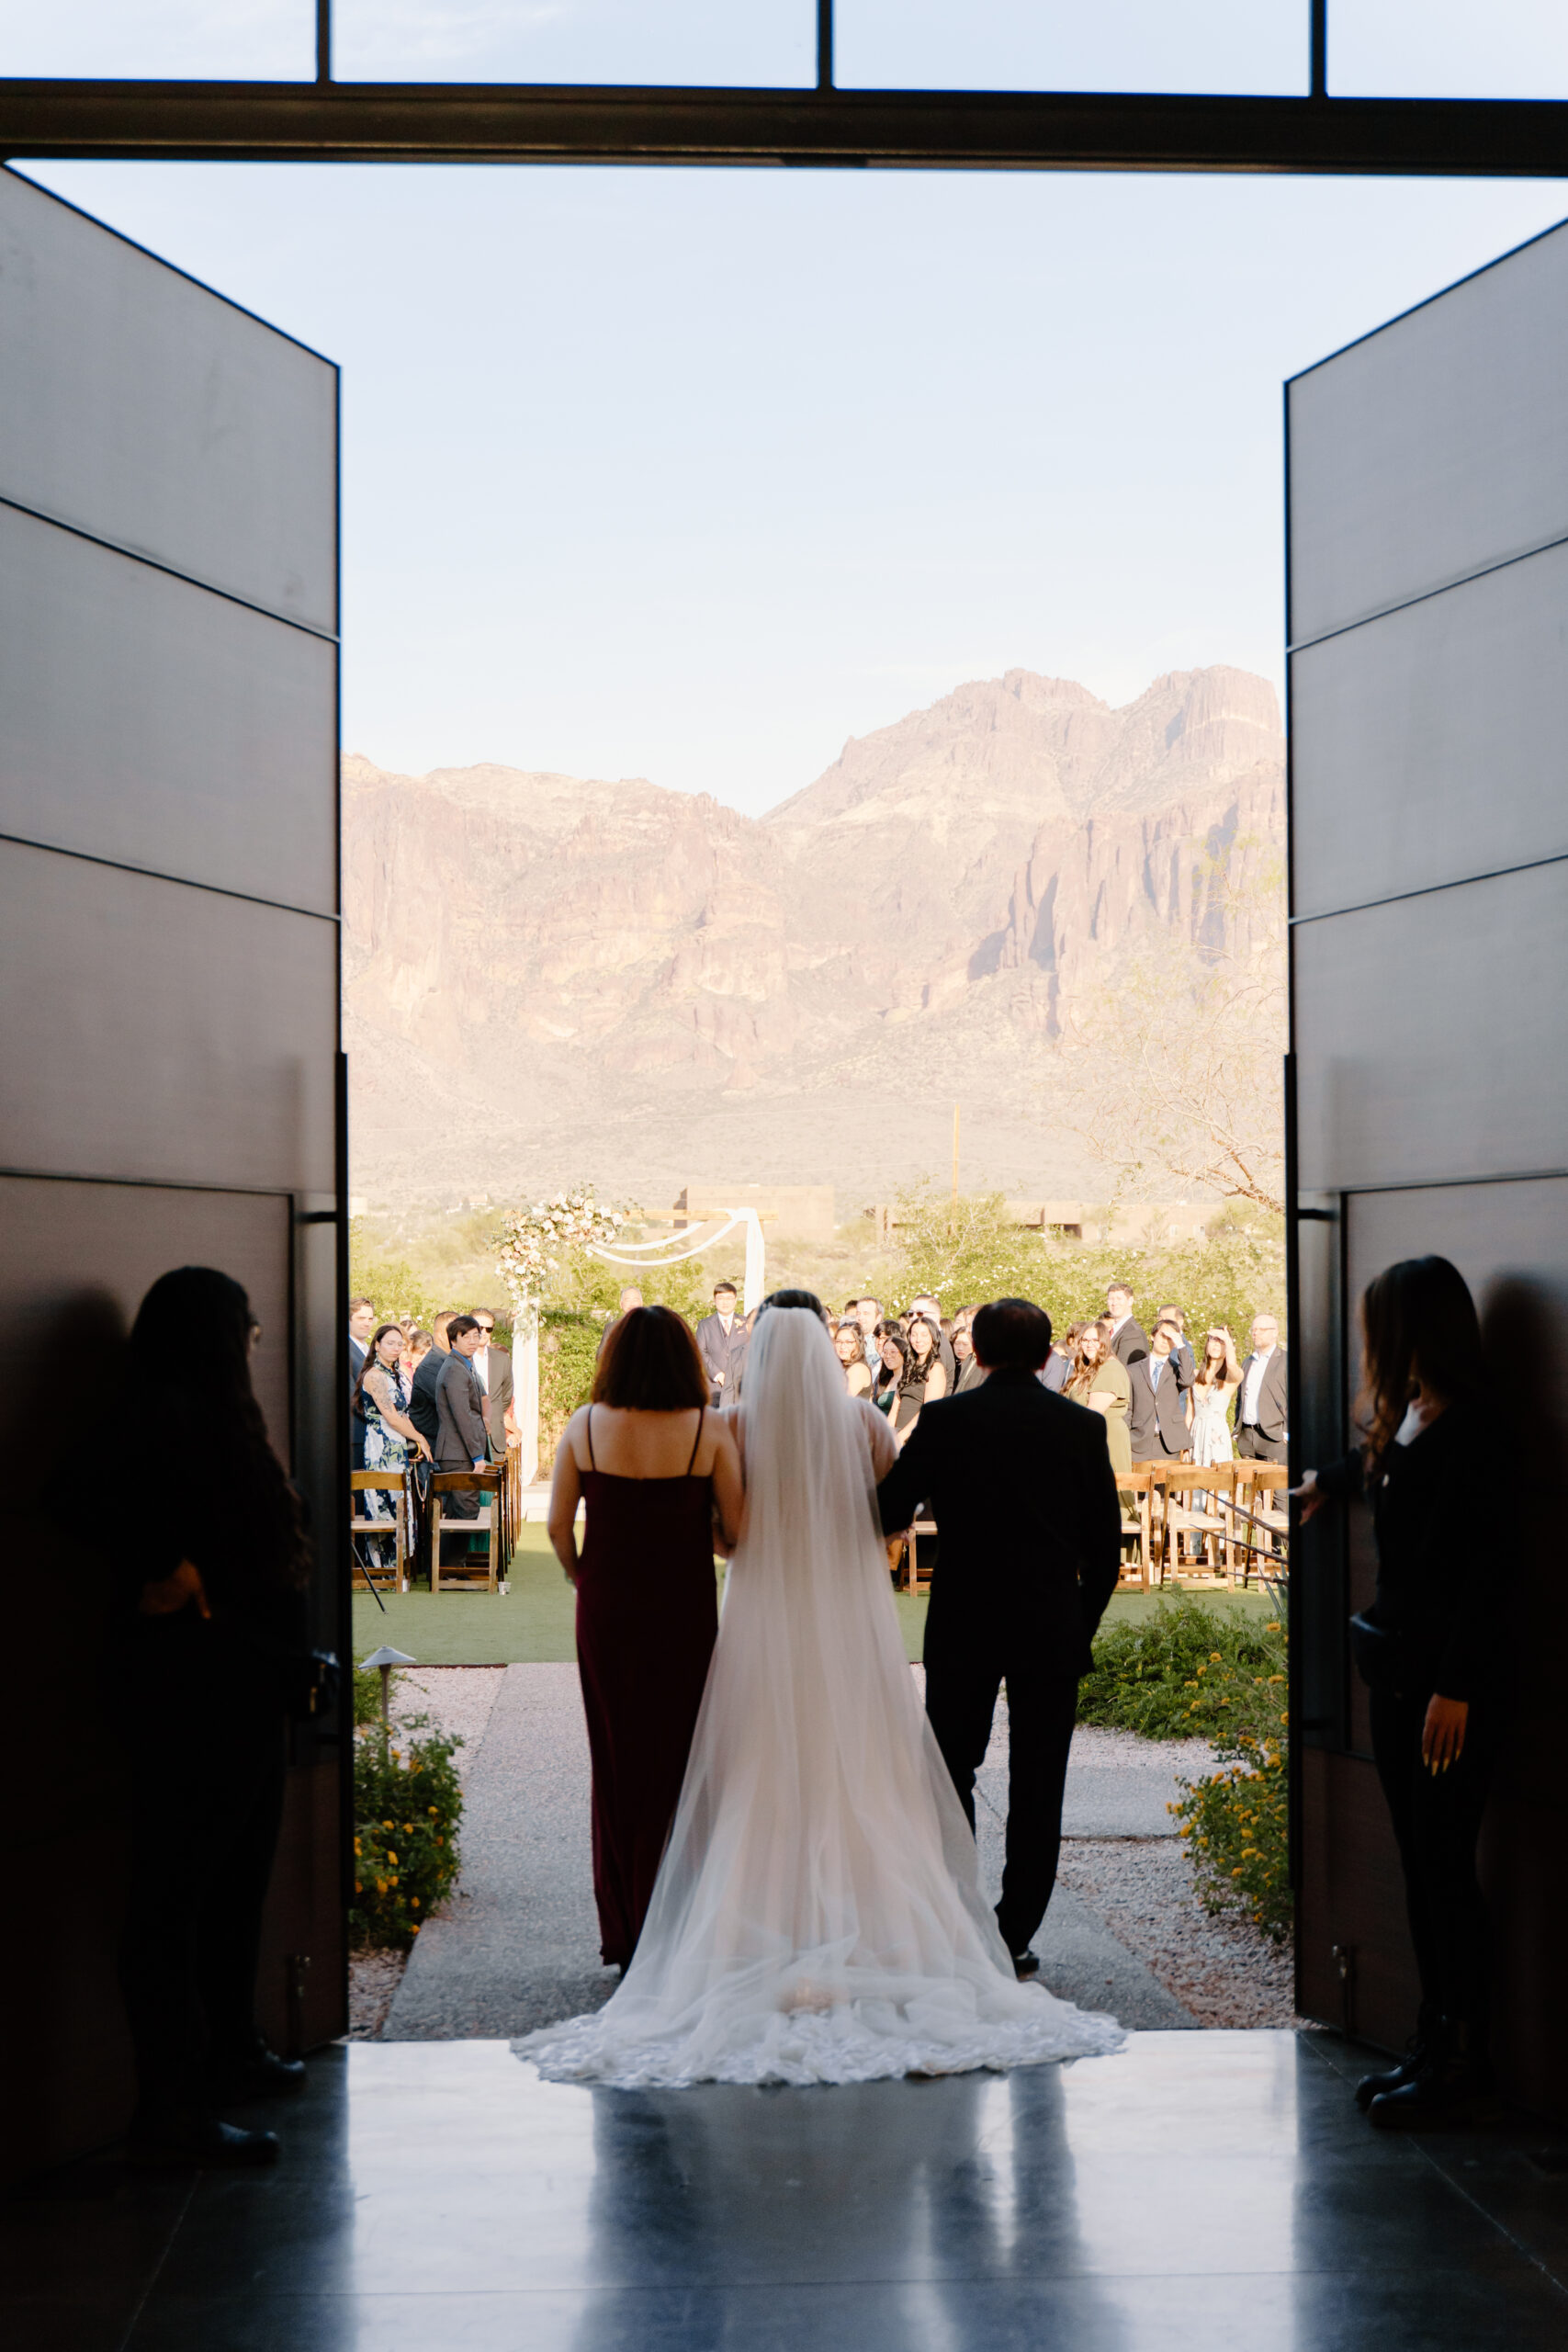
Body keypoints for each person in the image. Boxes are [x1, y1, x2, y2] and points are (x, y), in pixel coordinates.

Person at [518, 1295, 1122, 2086]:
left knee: (830, 1767)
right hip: (914, 1621)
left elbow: (734, 1528)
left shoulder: (735, 1426)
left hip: (799, 1620)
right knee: (929, 1773)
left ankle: (753, 1925)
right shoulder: (880, 1425)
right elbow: (891, 1517)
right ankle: (986, 1934)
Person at [115, 1267, 316, 2167]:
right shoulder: (162, 1416)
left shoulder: (208, 1415)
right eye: (247, 1330)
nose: (255, 1343)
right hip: (197, 1698)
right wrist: (174, 1570)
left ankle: (231, 2050)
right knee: (177, 1900)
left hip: (246, 1688)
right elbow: (82, 1502)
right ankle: (173, 2111)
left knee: (237, 1883)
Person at [1293, 1256, 1496, 2128]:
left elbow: (1493, 1572)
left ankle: (1460, 2057)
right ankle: (1429, 2039)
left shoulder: (1476, 1430)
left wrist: (1456, 1687)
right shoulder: (1412, 1414)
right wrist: (1322, 1483)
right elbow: (1373, 1466)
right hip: (1397, 1673)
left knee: (1446, 1868)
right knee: (1419, 1864)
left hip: (1444, 1692)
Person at [875, 1297, 1123, 1980]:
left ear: (975, 1354)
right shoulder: (1077, 1427)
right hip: (1048, 1619)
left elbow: (890, 1508)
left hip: (964, 1617)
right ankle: (1012, 1932)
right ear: (1048, 1356)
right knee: (1039, 1781)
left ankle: (958, 1919)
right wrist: (1082, 1618)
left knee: (950, 1768)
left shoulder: (948, 1419)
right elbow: (1105, 1550)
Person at [545, 1306, 743, 1971]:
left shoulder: (585, 1425)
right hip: (682, 1609)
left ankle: (626, 1929)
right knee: (681, 1760)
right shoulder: (706, 1430)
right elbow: (733, 1534)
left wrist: (585, 1580)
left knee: (617, 1759)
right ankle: (679, 1921)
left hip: (606, 1608)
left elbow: (555, 1530)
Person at [355, 1322, 433, 1559]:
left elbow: (402, 1417)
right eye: (390, 1343)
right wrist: (421, 1439)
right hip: (380, 1445)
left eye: (400, 1344)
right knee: (382, 1501)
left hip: (397, 1445)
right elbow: (390, 1416)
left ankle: (399, 1565)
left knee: (399, 1500)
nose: (396, 1348)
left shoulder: (395, 1375)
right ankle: (382, 1566)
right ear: (377, 1345)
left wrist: (415, 1444)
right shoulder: (374, 1375)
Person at [434, 1314, 489, 1520]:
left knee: (459, 1514)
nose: (473, 1341)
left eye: (476, 1336)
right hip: (458, 1453)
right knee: (466, 1512)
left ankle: (451, 1554)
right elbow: (462, 1416)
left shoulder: (464, 1364)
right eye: (467, 1337)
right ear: (453, 1340)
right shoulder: (455, 1368)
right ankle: (451, 1554)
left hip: (459, 1451)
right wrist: (477, 1455)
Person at [1068, 1319, 1132, 1477]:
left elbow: (1092, 1414)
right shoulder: (1087, 1367)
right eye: (1085, 1340)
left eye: (1095, 1340)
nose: (1089, 1344)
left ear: (1105, 1342)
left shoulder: (1111, 1369)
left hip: (1105, 1439)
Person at [1127, 1318, 1192, 1462]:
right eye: (1163, 1335)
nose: (1165, 1341)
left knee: (1165, 1484)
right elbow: (1129, 1408)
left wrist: (1181, 1346)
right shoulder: (1133, 1369)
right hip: (1138, 1442)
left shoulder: (1177, 1369)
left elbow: (1187, 1380)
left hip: (1169, 1443)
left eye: (1171, 1338)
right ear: (1152, 1336)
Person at [1234, 1313, 1288, 1460]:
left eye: (1261, 1330)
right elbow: (1241, 1397)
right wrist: (1237, 1429)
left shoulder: (1285, 1360)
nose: (1256, 1333)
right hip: (1247, 1437)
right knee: (1248, 1482)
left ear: (1275, 1333)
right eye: (1253, 1330)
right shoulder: (1247, 1362)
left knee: (1274, 1483)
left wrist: (1286, 1431)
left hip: (1274, 1439)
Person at [1190, 1328, 1242, 1465]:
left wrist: (1228, 1341)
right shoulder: (1194, 1374)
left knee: (1217, 1482)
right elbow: (1190, 1413)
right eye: (1213, 1340)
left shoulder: (1231, 1377)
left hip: (1216, 1436)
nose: (1216, 1344)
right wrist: (1185, 1445)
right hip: (1196, 1434)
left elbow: (1231, 1364)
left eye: (1221, 1341)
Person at [469, 1306, 513, 1460]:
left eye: (489, 1329)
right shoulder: (459, 1359)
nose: (484, 1333)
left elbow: (506, 1395)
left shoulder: (502, 1360)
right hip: (468, 1438)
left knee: (496, 1483)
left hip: (495, 1437)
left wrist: (493, 1414)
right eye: (479, 1327)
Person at [695, 1282, 748, 1407]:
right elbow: (700, 1351)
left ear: (735, 1300)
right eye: (721, 1298)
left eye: (729, 1298)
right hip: (714, 1389)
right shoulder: (705, 1325)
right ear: (715, 1300)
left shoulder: (746, 1323)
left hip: (740, 1388)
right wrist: (718, 1374)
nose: (725, 1302)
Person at [871, 1321, 922, 1447]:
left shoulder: (909, 1381)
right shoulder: (882, 1379)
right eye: (885, 1352)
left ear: (903, 1354)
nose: (888, 1356)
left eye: (893, 1352)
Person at [906, 1312, 950, 1405]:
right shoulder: (908, 1366)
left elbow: (929, 1408)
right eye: (914, 1335)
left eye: (924, 1335)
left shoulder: (935, 1368)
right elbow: (895, 1407)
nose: (918, 1340)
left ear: (933, 1337)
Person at [1105, 1282, 1149, 1368]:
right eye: (1111, 1299)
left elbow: (1123, 1370)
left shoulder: (1133, 1333)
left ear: (1130, 1301)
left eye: (1119, 1298)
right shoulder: (1111, 1330)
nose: (1114, 1303)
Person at [597, 1285, 644, 1359]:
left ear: (641, 1303)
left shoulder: (653, 1326)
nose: (632, 1304)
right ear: (621, 1304)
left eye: (635, 1300)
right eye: (627, 1300)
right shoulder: (611, 1328)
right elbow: (601, 1356)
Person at [1156, 1304, 1196, 1385]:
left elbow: (1184, 1382)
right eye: (1160, 1319)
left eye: (1167, 1319)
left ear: (1180, 1322)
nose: (1162, 1322)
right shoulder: (1159, 1341)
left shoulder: (1183, 1349)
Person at [833, 1316, 872, 1398]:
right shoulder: (838, 1366)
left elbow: (839, 1400)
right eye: (839, 1342)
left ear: (859, 1343)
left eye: (849, 1342)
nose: (843, 1346)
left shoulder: (859, 1369)